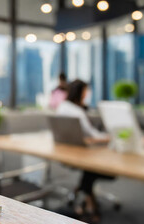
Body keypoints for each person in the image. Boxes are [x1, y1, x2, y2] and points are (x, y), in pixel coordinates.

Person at [56, 79, 111, 223]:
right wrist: (108, 137)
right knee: (91, 169)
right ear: (81, 92)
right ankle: (91, 208)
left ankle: (87, 203)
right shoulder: (77, 111)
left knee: (89, 171)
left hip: (67, 150)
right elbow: (92, 134)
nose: (87, 95)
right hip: (83, 151)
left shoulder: (62, 106)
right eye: (86, 91)